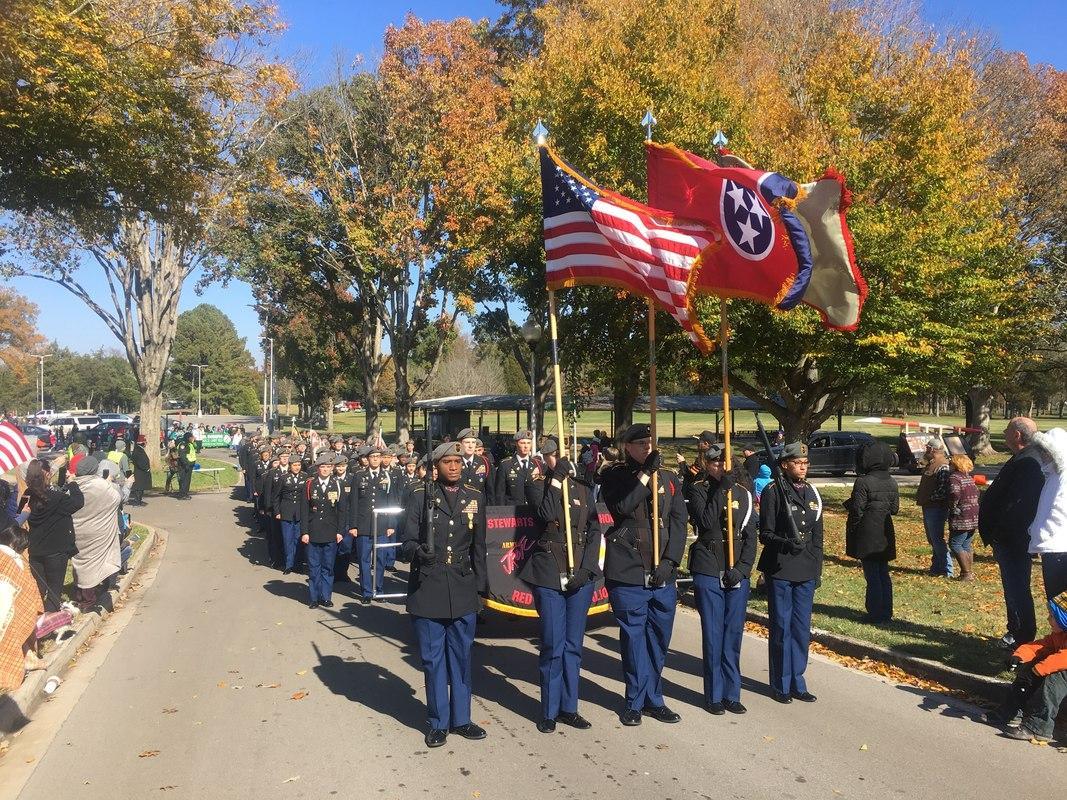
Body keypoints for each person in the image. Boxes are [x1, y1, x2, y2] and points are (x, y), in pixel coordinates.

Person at [398, 441, 488, 748]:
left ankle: (462, 719)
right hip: (429, 586)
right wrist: (419, 553)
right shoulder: (421, 496)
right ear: (436, 466)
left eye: (458, 462)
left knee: (461, 658)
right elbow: (405, 542)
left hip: (463, 586)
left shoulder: (475, 496)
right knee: (434, 660)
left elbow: (480, 548)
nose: (454, 466)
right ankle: (438, 721)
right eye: (447, 462)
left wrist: (481, 593)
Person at [600, 423, 687, 726]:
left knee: (659, 639)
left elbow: (678, 524)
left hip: (662, 572)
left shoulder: (670, 480)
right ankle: (635, 701)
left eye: (649, 443)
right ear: (627, 447)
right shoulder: (615, 476)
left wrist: (671, 561)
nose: (647, 448)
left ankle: (654, 697)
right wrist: (645, 474)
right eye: (640, 444)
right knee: (635, 639)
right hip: (628, 570)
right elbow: (622, 506)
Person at [522, 437, 602, 733]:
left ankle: (570, 706)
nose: (554, 460)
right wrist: (556, 478)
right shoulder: (538, 485)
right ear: (543, 460)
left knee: (573, 645)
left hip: (579, 572)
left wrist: (588, 568)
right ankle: (549, 709)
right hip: (549, 571)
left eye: (558, 455)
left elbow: (595, 530)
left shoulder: (583, 487)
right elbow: (544, 514)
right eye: (549, 457)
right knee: (553, 644)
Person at [683, 444, 757, 715]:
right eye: (713, 462)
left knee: (733, 633)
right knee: (714, 633)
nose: (718, 466)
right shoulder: (698, 489)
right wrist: (721, 489)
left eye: (722, 462)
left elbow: (750, 536)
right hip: (708, 566)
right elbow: (705, 520)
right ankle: (713, 694)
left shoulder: (745, 495)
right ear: (707, 464)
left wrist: (744, 568)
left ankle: (731, 693)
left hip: (736, 568)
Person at [758, 441, 823, 704]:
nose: (803, 467)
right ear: (785, 465)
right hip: (782, 566)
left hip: (805, 566)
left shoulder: (813, 492)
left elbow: (818, 537)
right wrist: (786, 542)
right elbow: (766, 533)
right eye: (798, 463)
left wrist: (816, 569)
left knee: (801, 628)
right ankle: (781, 683)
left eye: (806, 463)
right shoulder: (774, 491)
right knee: (782, 626)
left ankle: (798, 680)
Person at [979, 417, 1043, 649]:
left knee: (1017, 587)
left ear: (1017, 435)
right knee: (1012, 586)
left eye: (1007, 429)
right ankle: (1014, 629)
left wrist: (1001, 530)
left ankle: (1022, 635)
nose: (1004, 432)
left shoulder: (1029, 463)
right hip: (1007, 537)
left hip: (1014, 538)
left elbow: (1020, 505)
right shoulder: (1020, 458)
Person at [986, 591, 1067, 743]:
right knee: (1030, 667)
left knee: (1055, 679)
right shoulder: (1058, 635)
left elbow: (1064, 658)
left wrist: (1038, 670)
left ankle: (1040, 726)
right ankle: (1011, 710)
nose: (1048, 619)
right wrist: (1019, 656)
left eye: (1052, 616)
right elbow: (1040, 646)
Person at [844, 441, 899, 624]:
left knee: (872, 575)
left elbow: (857, 510)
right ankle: (886, 611)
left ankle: (874, 612)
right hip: (885, 529)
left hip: (868, 531)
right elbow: (895, 509)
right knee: (883, 572)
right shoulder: (892, 481)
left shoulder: (863, 481)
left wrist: (854, 529)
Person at [21, 457, 83, 612]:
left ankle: (35, 616)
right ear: (47, 474)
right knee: (54, 590)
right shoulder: (58, 498)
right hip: (56, 550)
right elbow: (78, 502)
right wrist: (73, 483)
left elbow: (20, 513)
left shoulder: (27, 495)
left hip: (35, 549)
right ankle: (49, 621)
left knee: (38, 589)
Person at [70, 456, 129, 609]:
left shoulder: (72, 486)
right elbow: (118, 498)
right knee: (93, 564)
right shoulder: (102, 486)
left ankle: (79, 592)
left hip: (77, 531)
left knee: (80, 562)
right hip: (98, 531)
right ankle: (88, 599)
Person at [349, 446, 399, 604]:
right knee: (363, 560)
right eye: (373, 457)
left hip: (382, 525)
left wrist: (391, 524)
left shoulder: (387, 476)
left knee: (380, 559)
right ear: (367, 459)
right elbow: (354, 503)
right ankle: (366, 592)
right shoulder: (359, 476)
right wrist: (353, 525)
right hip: (363, 525)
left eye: (378, 456)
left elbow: (392, 501)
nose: (376, 459)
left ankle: (379, 589)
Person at [0, 523, 46, 692]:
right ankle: (27, 656)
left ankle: (26, 657)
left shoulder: (7, 557)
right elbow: (30, 590)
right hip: (14, 606)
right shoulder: (16, 559)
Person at [299, 453, 347, 609]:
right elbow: (304, 510)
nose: (325, 470)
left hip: (330, 533)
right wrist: (304, 532)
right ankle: (314, 597)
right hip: (313, 532)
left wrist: (340, 531)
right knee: (314, 568)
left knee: (328, 567)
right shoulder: (309, 485)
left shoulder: (337, 484)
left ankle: (326, 597)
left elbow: (342, 511)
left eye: (328, 467)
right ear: (317, 469)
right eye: (322, 467)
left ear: (332, 468)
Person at [1027, 427, 1067, 600]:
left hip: (1059, 549)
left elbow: (1060, 510)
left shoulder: (1063, 478)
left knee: (1060, 602)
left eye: (1046, 451)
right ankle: (1058, 627)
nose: (1043, 455)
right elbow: (1044, 508)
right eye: (1041, 451)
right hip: (1051, 549)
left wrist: (1042, 533)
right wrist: (1033, 530)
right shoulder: (1053, 476)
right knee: (1056, 601)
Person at [915, 438, 953, 577]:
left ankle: (947, 569)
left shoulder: (943, 466)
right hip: (928, 506)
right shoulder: (931, 463)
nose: (926, 450)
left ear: (932, 449)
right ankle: (936, 567)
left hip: (936, 508)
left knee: (937, 539)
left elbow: (943, 490)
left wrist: (929, 498)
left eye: (927, 448)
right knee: (932, 539)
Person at [947, 454, 979, 581]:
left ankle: (966, 573)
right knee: (966, 544)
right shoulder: (968, 477)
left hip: (962, 515)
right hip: (974, 514)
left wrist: (952, 506)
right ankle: (968, 572)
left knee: (955, 544)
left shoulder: (955, 478)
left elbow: (954, 493)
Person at [273, 456, 306, 575]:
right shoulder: (283, 478)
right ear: (290, 466)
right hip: (286, 512)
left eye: (298, 465)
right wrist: (277, 512)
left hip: (300, 513)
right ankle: (288, 565)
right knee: (288, 540)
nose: (297, 467)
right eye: (294, 465)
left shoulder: (305, 477)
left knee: (299, 540)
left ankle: (298, 564)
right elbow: (276, 496)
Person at [492, 430, 540, 504]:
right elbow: (500, 494)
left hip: (533, 510)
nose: (526, 446)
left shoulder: (537, 464)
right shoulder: (506, 465)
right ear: (516, 444)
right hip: (512, 511)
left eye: (528, 443)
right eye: (523, 443)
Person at [457, 428, 490, 492]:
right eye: (467, 442)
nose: (470, 446)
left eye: (473, 442)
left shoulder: (484, 462)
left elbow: (490, 490)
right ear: (460, 444)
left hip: (479, 501)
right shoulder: (455, 462)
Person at [128, 434, 152, 505]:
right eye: (145, 442)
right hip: (140, 472)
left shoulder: (139, 449)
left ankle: (139, 500)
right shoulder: (138, 450)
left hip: (140, 471)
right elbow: (140, 461)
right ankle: (137, 501)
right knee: (139, 487)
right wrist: (146, 468)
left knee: (140, 487)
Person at [175, 431, 197, 499]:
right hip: (184, 465)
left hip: (189, 465)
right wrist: (186, 464)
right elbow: (182, 456)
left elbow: (196, 448)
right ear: (188, 438)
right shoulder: (183, 444)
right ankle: (182, 494)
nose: (193, 438)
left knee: (187, 480)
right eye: (191, 437)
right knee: (184, 480)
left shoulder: (190, 444)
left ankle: (185, 493)